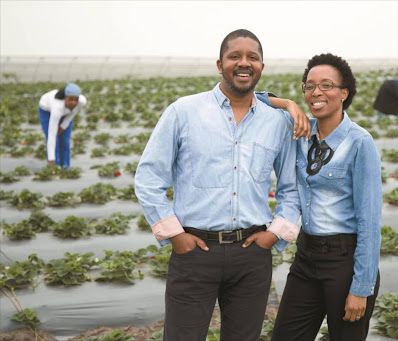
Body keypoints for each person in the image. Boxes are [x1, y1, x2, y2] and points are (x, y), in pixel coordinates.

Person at [134, 29, 301, 341]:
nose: (244, 63)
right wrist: (174, 234)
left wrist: (275, 234)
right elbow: (148, 178)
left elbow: (291, 188)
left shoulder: (276, 121)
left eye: (252, 57)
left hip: (252, 254)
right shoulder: (184, 111)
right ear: (219, 64)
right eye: (234, 56)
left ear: (262, 67)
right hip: (194, 251)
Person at [257, 53, 382, 340]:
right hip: (306, 258)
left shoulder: (359, 143)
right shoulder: (301, 133)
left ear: (344, 92)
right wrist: (288, 104)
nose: (316, 92)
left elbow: (370, 221)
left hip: (344, 260)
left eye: (327, 85)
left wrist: (361, 288)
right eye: (309, 86)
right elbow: (256, 99)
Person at [38, 82, 86, 169]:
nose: (73, 102)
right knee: (54, 138)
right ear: (65, 98)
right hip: (46, 111)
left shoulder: (82, 102)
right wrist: (51, 159)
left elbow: (72, 113)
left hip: (66, 115)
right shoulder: (57, 106)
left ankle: (65, 167)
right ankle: (54, 166)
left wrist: (63, 126)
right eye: (70, 99)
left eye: (76, 100)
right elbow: (52, 134)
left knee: (65, 141)